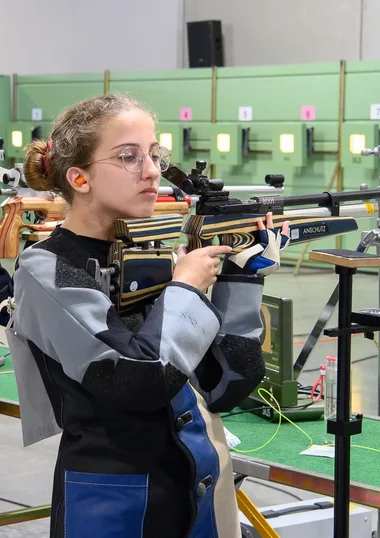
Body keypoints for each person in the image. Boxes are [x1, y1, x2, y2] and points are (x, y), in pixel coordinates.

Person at [10, 93, 289, 538]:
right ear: (79, 178)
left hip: (198, 490)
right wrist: (184, 289)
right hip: (115, 501)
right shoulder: (49, 269)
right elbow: (138, 381)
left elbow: (227, 385)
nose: (153, 171)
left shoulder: (148, 259)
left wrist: (242, 277)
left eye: (155, 154)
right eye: (129, 156)